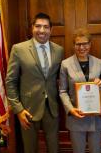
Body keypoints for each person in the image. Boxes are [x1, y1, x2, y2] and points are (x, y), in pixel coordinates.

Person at [6, 12, 64, 153]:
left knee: (54, 148)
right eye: (38, 26)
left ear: (51, 29)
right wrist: (18, 110)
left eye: (45, 27)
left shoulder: (59, 50)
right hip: (28, 110)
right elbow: (10, 81)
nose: (42, 30)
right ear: (32, 28)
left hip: (52, 108)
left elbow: (62, 77)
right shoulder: (19, 49)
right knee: (30, 149)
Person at [59, 28, 101, 153]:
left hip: (95, 117)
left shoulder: (99, 63)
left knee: (96, 151)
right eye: (78, 44)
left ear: (90, 44)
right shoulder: (65, 64)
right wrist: (70, 109)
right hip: (76, 116)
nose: (82, 47)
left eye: (85, 43)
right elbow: (62, 90)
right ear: (74, 45)